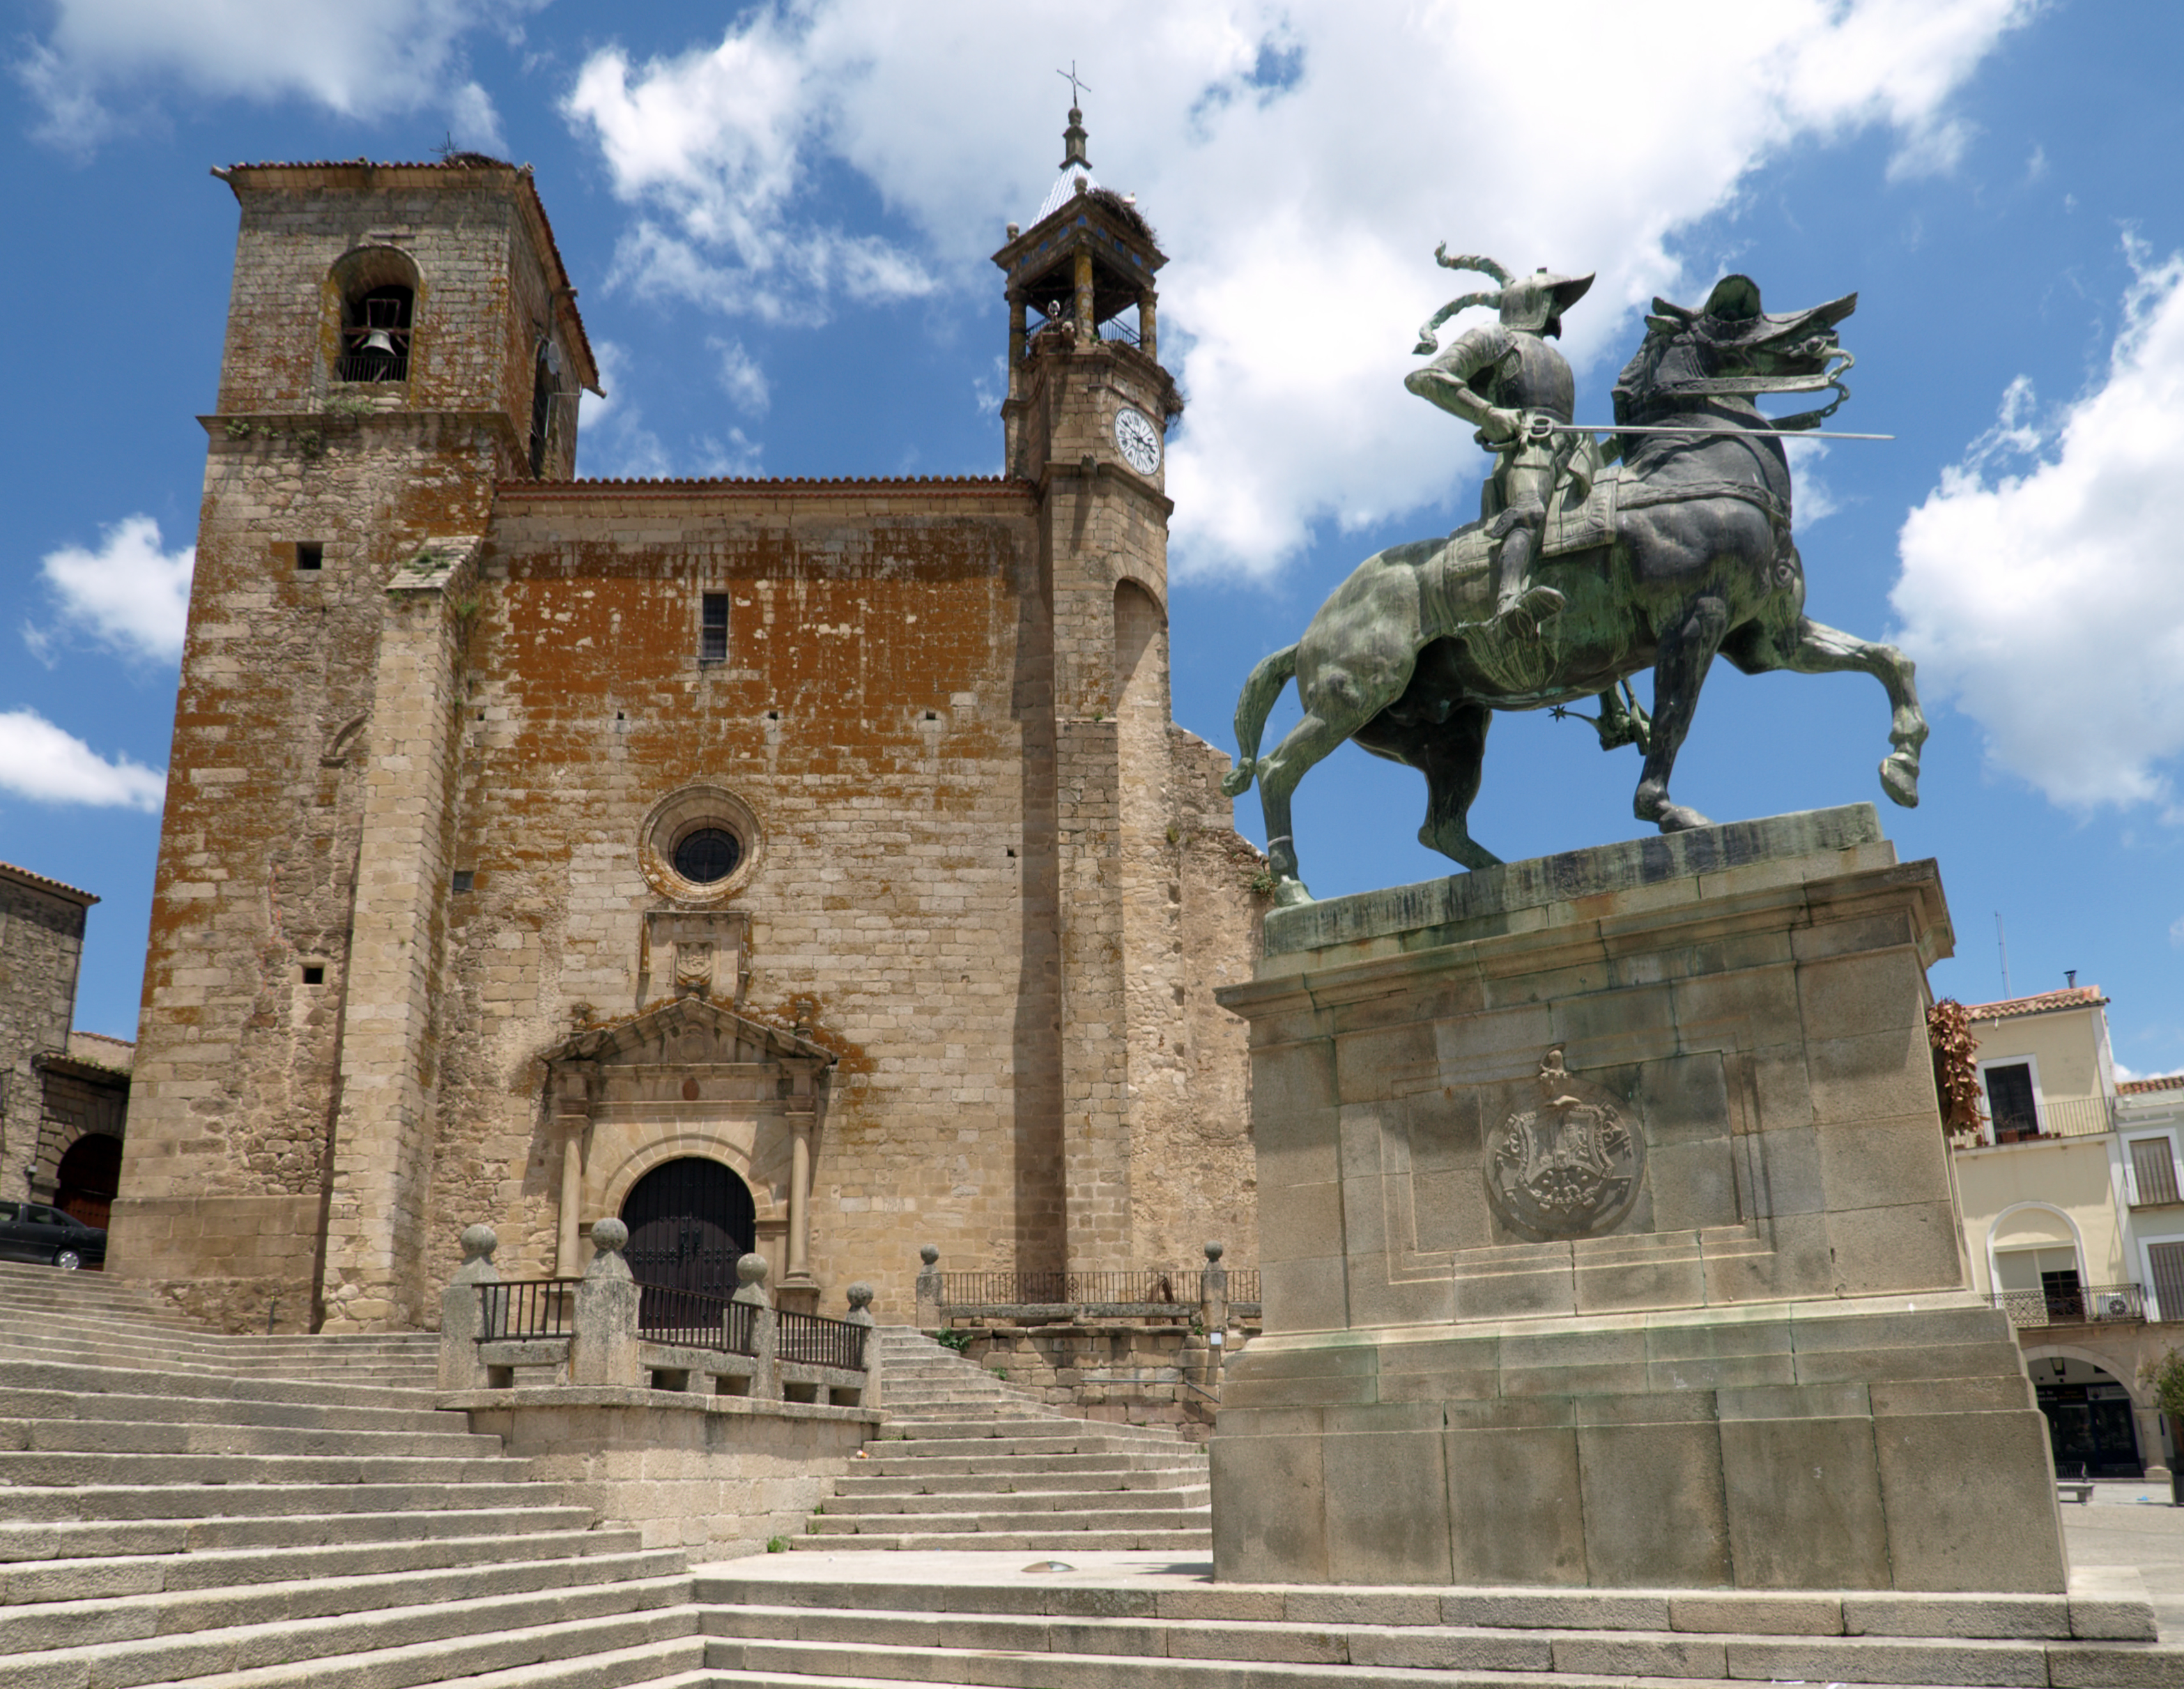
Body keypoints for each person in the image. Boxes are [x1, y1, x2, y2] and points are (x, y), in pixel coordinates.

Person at [1405, 257, 1596, 639]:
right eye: (1554, 300)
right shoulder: (1495, 338)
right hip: (1528, 449)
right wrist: (1489, 414)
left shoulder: (1556, 359)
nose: (1559, 311)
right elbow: (1426, 377)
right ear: (1535, 303)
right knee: (1530, 511)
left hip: (1575, 448)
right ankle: (1508, 602)